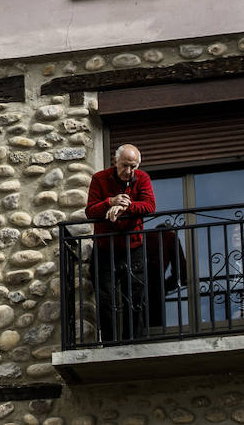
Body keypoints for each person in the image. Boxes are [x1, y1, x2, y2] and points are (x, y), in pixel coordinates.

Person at [85, 144, 156, 342]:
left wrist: (128, 206)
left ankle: (133, 340)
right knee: (105, 298)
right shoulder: (99, 179)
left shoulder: (142, 179)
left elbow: (150, 205)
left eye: (133, 166)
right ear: (116, 162)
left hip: (133, 247)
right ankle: (109, 342)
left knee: (135, 296)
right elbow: (90, 211)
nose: (129, 171)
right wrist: (110, 202)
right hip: (105, 248)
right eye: (125, 165)